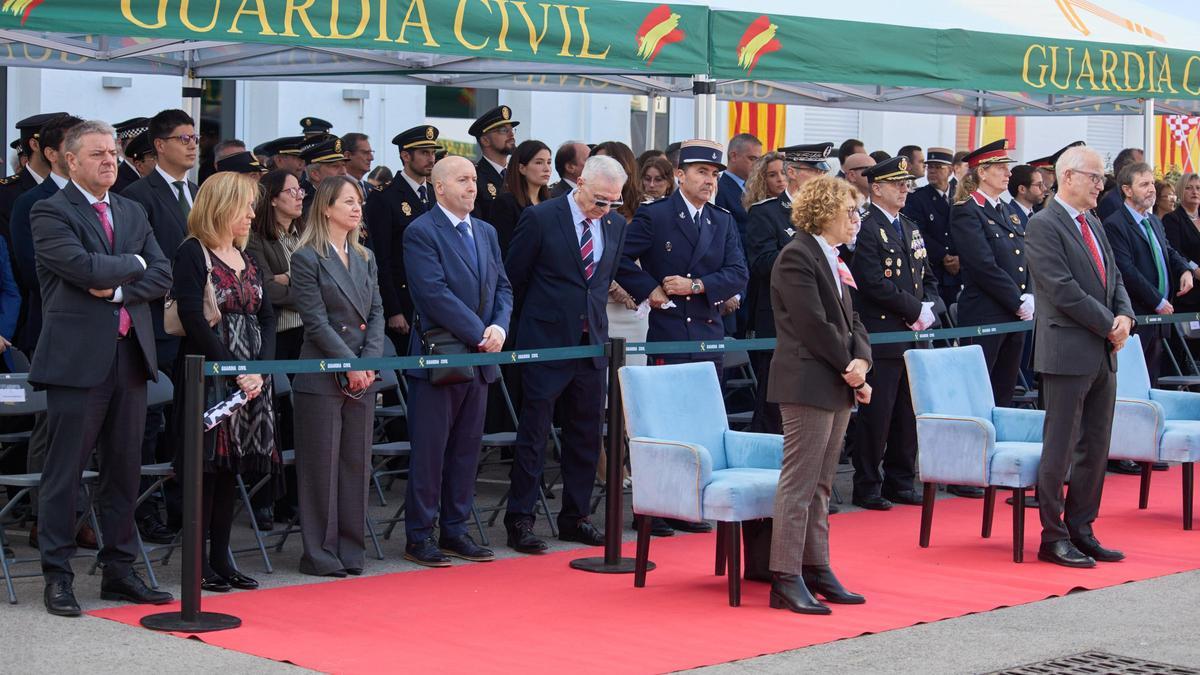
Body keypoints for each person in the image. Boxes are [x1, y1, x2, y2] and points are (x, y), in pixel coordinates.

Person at [30, 119, 173, 616]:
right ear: (69, 160)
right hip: (77, 362)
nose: (110, 161)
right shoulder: (50, 211)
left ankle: (119, 570)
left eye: (112, 153)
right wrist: (132, 266)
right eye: (97, 154)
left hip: (130, 357)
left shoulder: (132, 209)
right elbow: (80, 267)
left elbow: (162, 272)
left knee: (123, 472)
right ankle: (58, 575)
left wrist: (118, 284)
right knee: (64, 473)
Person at [616, 139, 748, 536]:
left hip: (706, 330)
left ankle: (687, 504)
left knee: (699, 420)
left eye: (714, 174)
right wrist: (650, 289)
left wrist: (696, 285)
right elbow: (619, 258)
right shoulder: (655, 216)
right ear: (680, 175)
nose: (710, 181)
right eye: (702, 173)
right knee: (661, 423)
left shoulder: (721, 220)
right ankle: (653, 508)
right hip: (667, 329)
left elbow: (738, 272)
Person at [503, 155, 628, 553]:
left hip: (592, 345)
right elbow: (514, 278)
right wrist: (531, 330)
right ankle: (520, 519)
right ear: (580, 183)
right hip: (545, 343)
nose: (606, 209)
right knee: (534, 435)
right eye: (600, 200)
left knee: (587, 436)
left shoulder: (616, 224)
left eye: (614, 202)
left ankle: (576, 517)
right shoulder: (542, 218)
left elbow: (601, 281)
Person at [1026, 145, 1135, 568]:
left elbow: (1115, 276)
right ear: (1068, 176)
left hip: (1103, 351)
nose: (1100, 184)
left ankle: (1082, 529)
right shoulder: (1044, 224)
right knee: (1060, 447)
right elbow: (1061, 288)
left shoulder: (1093, 222)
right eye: (1094, 176)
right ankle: (1053, 536)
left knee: (1096, 445)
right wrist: (1110, 322)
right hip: (1068, 350)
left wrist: (1124, 314)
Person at [767, 176, 871, 615]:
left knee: (823, 483)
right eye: (849, 211)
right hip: (809, 379)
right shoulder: (798, 255)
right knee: (800, 483)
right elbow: (812, 325)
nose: (855, 220)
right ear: (825, 211)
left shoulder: (833, 257)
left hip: (836, 378)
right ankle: (785, 575)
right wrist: (852, 371)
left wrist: (861, 361)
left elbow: (855, 322)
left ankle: (817, 566)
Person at [402, 156, 512, 567]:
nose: (472, 186)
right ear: (440, 187)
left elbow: (503, 286)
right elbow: (432, 293)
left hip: (481, 355)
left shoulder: (485, 231)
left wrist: (498, 328)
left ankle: (455, 529)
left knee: (467, 450)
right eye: (463, 180)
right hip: (441, 356)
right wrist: (479, 332)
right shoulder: (421, 231)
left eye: (474, 179)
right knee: (431, 451)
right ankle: (419, 535)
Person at [172, 171, 277, 592]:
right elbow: (192, 318)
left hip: (250, 380)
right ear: (222, 206)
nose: (252, 214)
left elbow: (267, 317)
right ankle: (198, 563)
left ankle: (221, 558)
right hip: (210, 376)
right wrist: (233, 371)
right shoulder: (191, 253)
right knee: (206, 470)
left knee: (230, 470)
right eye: (245, 205)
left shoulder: (247, 257)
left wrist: (260, 371)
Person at [291, 175, 385, 577]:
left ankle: (351, 549)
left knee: (354, 463)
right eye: (347, 201)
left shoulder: (365, 256)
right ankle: (319, 552)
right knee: (321, 466)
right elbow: (315, 321)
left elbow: (377, 313)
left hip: (362, 374)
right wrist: (351, 365)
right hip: (323, 373)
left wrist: (369, 363)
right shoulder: (307, 257)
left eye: (358, 201)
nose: (356, 207)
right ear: (326, 207)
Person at [848, 156, 940, 511]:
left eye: (906, 183)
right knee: (878, 414)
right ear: (877, 188)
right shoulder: (867, 226)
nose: (905, 189)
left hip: (914, 333)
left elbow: (927, 276)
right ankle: (868, 483)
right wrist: (913, 309)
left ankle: (901, 479)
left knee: (907, 412)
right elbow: (871, 280)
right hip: (883, 332)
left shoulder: (911, 227)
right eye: (897, 184)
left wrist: (930, 307)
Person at [745, 143, 832, 434]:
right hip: (782, 321)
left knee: (815, 404)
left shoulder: (828, 214)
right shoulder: (767, 213)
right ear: (792, 172)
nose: (820, 177)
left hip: (821, 317)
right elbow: (762, 263)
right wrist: (807, 254)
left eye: (822, 171)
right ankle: (768, 476)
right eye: (813, 171)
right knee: (775, 408)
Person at [951, 139, 1029, 410]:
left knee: (1004, 393)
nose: (1008, 173)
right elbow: (983, 265)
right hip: (986, 312)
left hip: (1013, 314)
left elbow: (1023, 256)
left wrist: (1028, 293)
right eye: (1001, 167)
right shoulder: (966, 210)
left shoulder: (1007, 211)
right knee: (979, 394)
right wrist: (1017, 301)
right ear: (982, 172)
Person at [122, 108, 200, 376]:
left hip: (200, 319)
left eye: (194, 138)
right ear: (160, 145)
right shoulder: (137, 195)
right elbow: (137, 257)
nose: (192, 146)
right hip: (161, 320)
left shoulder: (198, 193)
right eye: (183, 139)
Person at [1102, 161, 1194, 386]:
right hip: (1137, 316)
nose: (1152, 189)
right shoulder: (1115, 224)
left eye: (1152, 183)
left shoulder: (1153, 220)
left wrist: (1184, 269)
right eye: (1144, 184)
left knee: (1152, 380)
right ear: (1127, 189)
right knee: (1132, 383)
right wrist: (1157, 301)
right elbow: (1127, 270)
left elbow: (1169, 251)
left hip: (1159, 319)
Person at [365, 125, 441, 355]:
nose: (431, 159)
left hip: (434, 297)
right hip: (404, 299)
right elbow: (382, 257)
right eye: (424, 153)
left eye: (432, 153)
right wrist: (393, 309)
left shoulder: (438, 194)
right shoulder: (385, 198)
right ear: (405, 156)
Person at [904, 147, 960, 310]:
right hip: (933, 268)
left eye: (938, 167)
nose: (932, 171)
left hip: (958, 269)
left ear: (950, 170)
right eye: (930, 167)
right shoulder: (917, 198)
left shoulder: (961, 196)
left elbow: (967, 231)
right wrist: (943, 255)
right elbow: (917, 233)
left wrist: (959, 257)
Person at [490, 139, 552, 255]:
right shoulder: (506, 203)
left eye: (549, 162)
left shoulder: (551, 203)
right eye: (539, 162)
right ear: (522, 168)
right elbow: (504, 250)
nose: (547, 169)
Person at [469, 105, 519, 222]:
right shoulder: (475, 178)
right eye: (503, 131)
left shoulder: (517, 175)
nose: (511, 135)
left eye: (512, 130)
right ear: (485, 140)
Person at [1163, 173, 1200, 315]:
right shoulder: (1172, 219)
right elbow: (1174, 251)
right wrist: (1194, 269)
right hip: (1188, 292)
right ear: (1180, 191)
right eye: (1189, 188)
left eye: (1198, 188)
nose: (1195, 192)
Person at [718, 133, 762, 238]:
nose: (757, 165)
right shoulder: (719, 189)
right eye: (752, 159)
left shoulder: (756, 187)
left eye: (759, 160)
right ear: (733, 156)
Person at [590, 141, 642, 221]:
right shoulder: (585, 205)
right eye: (594, 164)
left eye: (604, 165)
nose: (597, 170)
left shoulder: (645, 209)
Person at [299, 137, 349, 217]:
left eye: (343, 165)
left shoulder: (347, 199)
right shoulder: (307, 205)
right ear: (315, 174)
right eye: (335, 166)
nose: (343, 172)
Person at [1096, 148, 1144, 221]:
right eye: (1140, 167)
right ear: (1125, 169)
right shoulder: (1111, 202)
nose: (1145, 173)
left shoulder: (1138, 200)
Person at [112, 117, 150, 193]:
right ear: (121, 144)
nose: (144, 147)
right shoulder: (114, 180)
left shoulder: (159, 173)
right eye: (137, 142)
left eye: (148, 142)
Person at [1007, 164, 1046, 230]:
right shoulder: (1007, 216)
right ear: (1022, 189)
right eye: (1039, 185)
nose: (1044, 188)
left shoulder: (1039, 215)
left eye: (1043, 184)